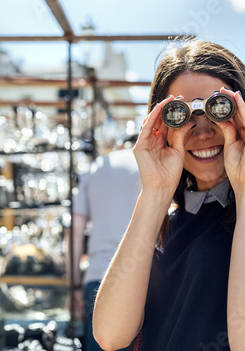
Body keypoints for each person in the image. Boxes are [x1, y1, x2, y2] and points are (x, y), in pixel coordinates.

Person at [92, 40, 245, 351]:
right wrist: (155, 193)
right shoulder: (166, 221)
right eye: (180, 115)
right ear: (160, 126)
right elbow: (109, 334)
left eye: (219, 109)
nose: (201, 131)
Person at [69, 134, 141, 351]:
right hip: (141, 279)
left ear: (120, 145)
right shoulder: (150, 164)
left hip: (98, 278)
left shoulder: (97, 167)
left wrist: (74, 285)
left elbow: (75, 231)